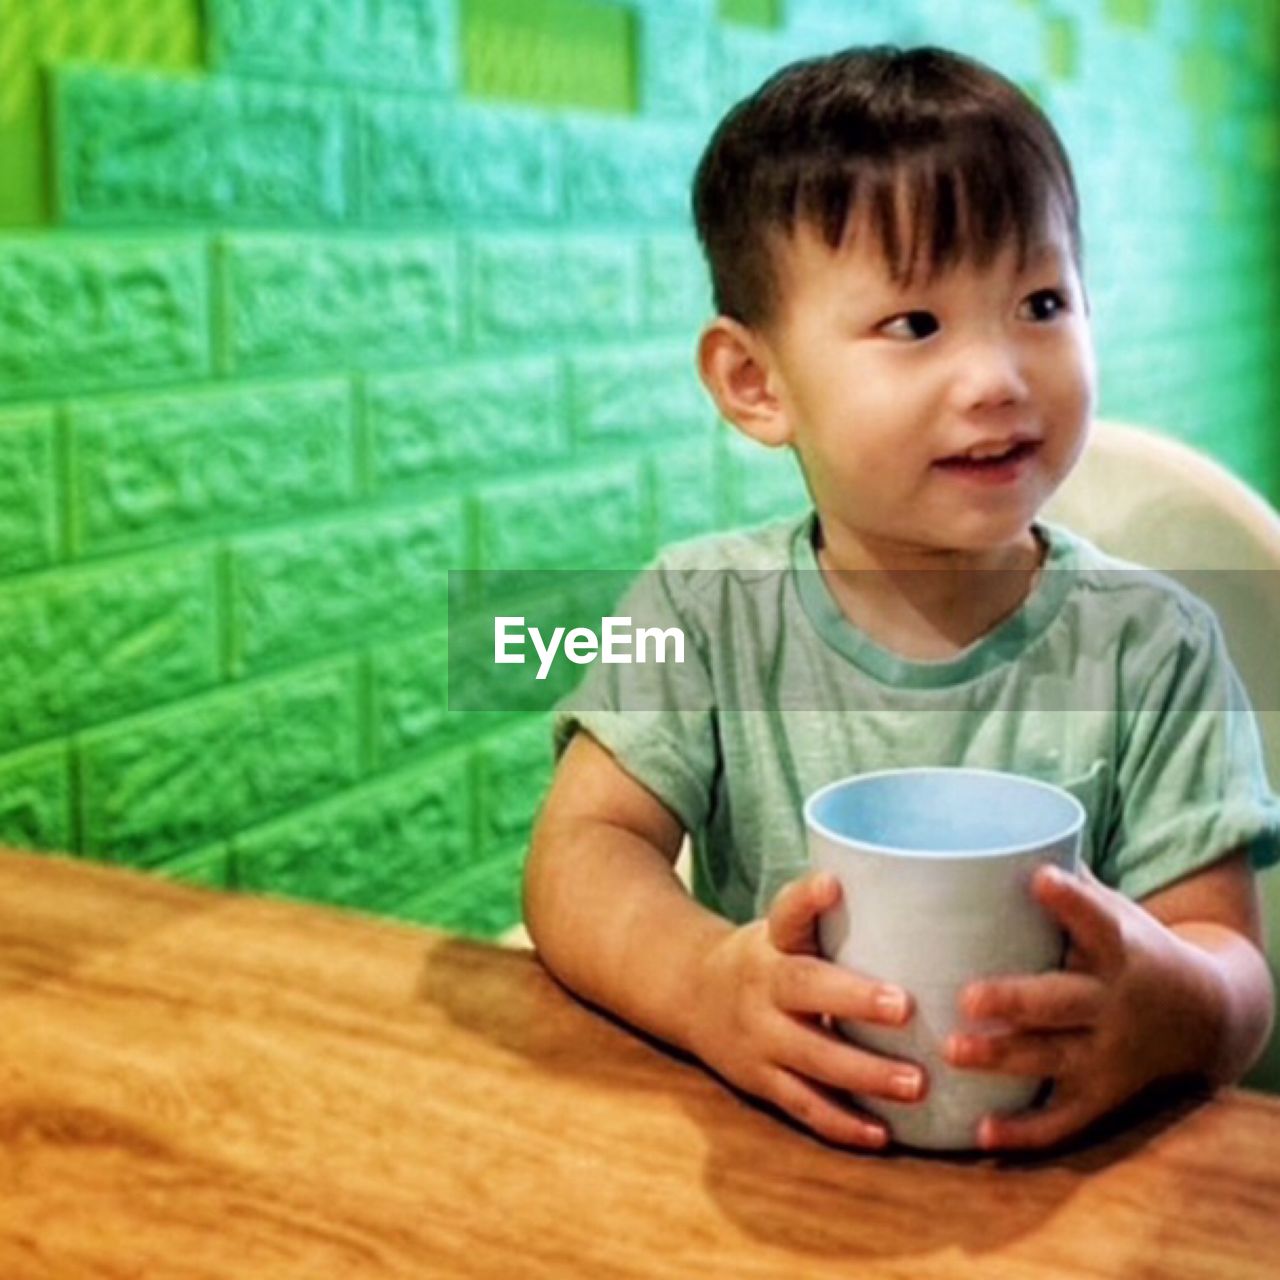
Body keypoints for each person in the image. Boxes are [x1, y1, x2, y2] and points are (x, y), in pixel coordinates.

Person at [523, 46, 1279, 1152]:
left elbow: (1229, 962)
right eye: (915, 324)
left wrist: (1173, 1008)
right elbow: (579, 854)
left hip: (1062, 1182)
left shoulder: (1150, 645)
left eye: (1039, 300)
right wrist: (703, 986)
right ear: (754, 382)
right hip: (775, 1159)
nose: (996, 377)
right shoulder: (699, 608)